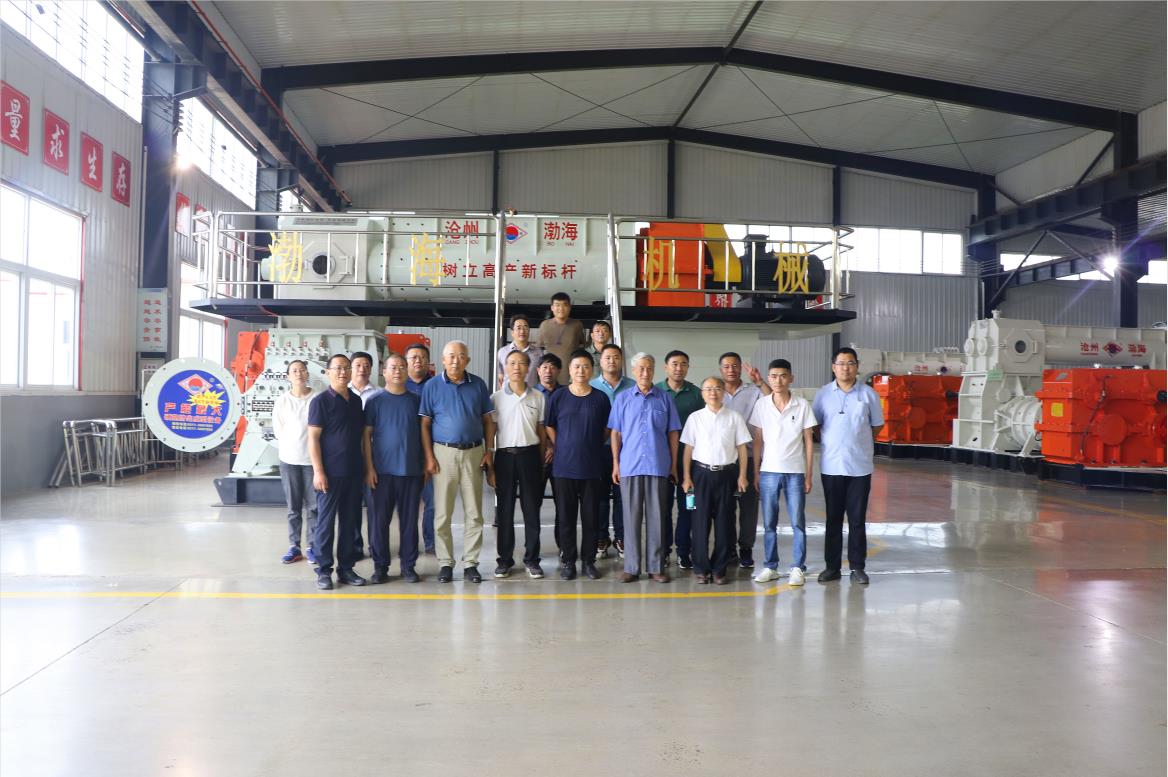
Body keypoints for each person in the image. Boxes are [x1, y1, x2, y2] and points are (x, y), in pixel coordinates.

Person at [419, 340, 496, 584]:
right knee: (442, 513)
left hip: (474, 452)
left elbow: (488, 421)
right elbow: (425, 424)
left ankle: (471, 563)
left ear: (467, 360)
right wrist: (429, 456)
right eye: (451, 356)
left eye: (461, 356)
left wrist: (489, 451)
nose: (455, 360)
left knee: (474, 512)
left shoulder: (478, 385)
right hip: (443, 454)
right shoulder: (432, 386)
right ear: (443, 360)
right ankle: (445, 563)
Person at [812, 347, 884, 585]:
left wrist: (858, 441)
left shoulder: (869, 394)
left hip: (859, 467)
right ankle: (832, 567)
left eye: (850, 363)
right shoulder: (823, 394)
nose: (845, 368)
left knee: (857, 520)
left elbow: (877, 426)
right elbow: (816, 425)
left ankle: (857, 567)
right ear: (833, 367)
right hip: (831, 466)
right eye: (841, 363)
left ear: (857, 366)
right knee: (833, 519)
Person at [608, 352, 680, 584]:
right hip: (630, 465)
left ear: (654, 370)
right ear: (633, 371)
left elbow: (673, 434)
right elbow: (615, 433)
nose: (645, 372)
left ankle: (655, 567)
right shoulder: (623, 399)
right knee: (630, 517)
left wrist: (673, 465)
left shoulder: (664, 399)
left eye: (649, 368)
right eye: (641, 368)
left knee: (657, 517)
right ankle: (631, 567)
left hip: (658, 465)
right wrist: (616, 464)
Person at [749, 359, 816, 586]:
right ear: (768, 378)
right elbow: (757, 441)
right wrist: (756, 472)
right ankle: (770, 566)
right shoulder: (762, 405)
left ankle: (798, 567)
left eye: (783, 376)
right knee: (769, 523)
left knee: (798, 522)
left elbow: (809, 442)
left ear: (791, 378)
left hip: (795, 472)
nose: (778, 380)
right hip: (768, 472)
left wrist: (808, 474)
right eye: (774, 376)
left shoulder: (802, 405)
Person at [545, 350, 610, 580]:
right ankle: (569, 561)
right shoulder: (558, 397)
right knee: (566, 517)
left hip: (592, 467)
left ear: (592, 370)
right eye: (576, 366)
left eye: (585, 366)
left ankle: (589, 562)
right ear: (569, 370)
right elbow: (549, 425)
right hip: (564, 467)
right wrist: (561, 444)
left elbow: (607, 428)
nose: (581, 371)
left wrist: (591, 443)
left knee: (591, 517)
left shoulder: (600, 398)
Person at [680, 376, 751, 585]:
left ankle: (720, 569)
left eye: (717, 388)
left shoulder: (734, 417)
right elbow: (688, 449)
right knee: (699, 522)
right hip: (700, 475)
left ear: (723, 393)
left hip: (727, 475)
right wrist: (686, 477)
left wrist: (742, 475)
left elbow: (741, 449)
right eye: (708, 389)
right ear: (702, 393)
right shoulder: (695, 418)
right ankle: (701, 568)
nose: (713, 393)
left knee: (724, 523)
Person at [307, 354, 368, 590]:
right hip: (329, 474)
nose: (343, 372)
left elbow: (360, 437)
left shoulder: (356, 401)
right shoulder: (320, 402)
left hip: (353, 472)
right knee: (325, 523)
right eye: (338, 368)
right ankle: (323, 571)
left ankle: (346, 569)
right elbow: (313, 439)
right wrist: (318, 471)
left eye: (346, 368)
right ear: (328, 372)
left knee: (350, 523)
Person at [362, 354, 424, 584]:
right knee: (379, 522)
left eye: (402, 367)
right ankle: (380, 567)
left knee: (409, 522)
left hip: (411, 471)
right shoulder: (375, 401)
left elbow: (424, 434)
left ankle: (408, 566)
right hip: (382, 473)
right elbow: (366, 436)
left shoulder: (416, 401)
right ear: (384, 372)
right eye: (393, 367)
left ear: (407, 371)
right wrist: (369, 468)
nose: (398, 371)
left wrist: (425, 464)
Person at [491, 350, 547, 579]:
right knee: (504, 511)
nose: (516, 367)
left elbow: (541, 430)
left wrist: (540, 460)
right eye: (512, 363)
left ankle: (532, 560)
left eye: (521, 363)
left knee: (532, 510)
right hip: (504, 457)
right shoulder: (496, 398)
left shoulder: (538, 397)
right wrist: (489, 459)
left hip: (530, 456)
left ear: (528, 368)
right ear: (505, 368)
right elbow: (491, 430)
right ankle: (504, 560)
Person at [655, 349, 703, 569]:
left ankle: (684, 552)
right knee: (662, 509)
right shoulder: (656, 392)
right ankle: (664, 551)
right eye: (674, 364)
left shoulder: (696, 394)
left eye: (683, 364)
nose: (679, 368)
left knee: (688, 507)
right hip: (662, 462)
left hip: (690, 464)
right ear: (666, 367)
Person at [590, 343, 635, 560]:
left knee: (622, 496)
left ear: (621, 360)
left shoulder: (632, 386)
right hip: (598, 449)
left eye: (616, 357)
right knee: (599, 496)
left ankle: (621, 537)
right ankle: (601, 537)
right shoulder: (591, 386)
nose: (612, 361)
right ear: (600, 361)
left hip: (627, 450)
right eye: (607, 357)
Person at [719, 352, 762, 568]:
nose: (731, 370)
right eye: (726, 366)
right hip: (724, 459)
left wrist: (760, 382)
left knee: (749, 508)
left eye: (735, 366)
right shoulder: (715, 392)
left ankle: (746, 548)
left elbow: (773, 398)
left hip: (751, 457)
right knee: (725, 508)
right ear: (720, 369)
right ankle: (729, 550)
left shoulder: (754, 391)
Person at [272, 360, 318, 565]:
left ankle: (312, 547)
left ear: (307, 374)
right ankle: (294, 547)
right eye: (294, 371)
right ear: (288, 376)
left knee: (314, 507)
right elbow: (279, 431)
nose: (299, 374)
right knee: (293, 507)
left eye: (302, 370)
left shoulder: (317, 398)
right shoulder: (282, 401)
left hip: (312, 462)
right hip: (289, 461)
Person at [348, 350, 380, 560]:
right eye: (358, 365)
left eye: (367, 365)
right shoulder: (342, 392)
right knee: (352, 506)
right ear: (351, 368)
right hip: (349, 458)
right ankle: (355, 547)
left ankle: (376, 547)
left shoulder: (379, 395)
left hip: (373, 458)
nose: (362, 369)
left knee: (375, 506)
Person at [404, 343, 436, 555]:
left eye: (422, 357)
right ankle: (409, 544)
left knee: (432, 502)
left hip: (432, 453)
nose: (418, 361)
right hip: (406, 454)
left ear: (428, 362)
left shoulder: (436, 385)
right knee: (408, 504)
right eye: (413, 357)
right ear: (406, 362)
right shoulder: (398, 385)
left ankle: (431, 542)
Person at [535, 292, 586, 384]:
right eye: (557, 305)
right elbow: (538, 349)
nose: (561, 308)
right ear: (552, 307)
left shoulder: (577, 325)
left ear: (569, 307)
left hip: (571, 375)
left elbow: (582, 346)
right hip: (549, 374)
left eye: (564, 305)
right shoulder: (544, 325)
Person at [496, 313, 543, 389]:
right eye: (518, 328)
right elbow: (500, 378)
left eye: (525, 327)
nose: (522, 331)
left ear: (529, 330)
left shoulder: (538, 352)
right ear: (512, 332)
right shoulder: (502, 352)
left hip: (531, 394)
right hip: (508, 394)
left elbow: (541, 378)